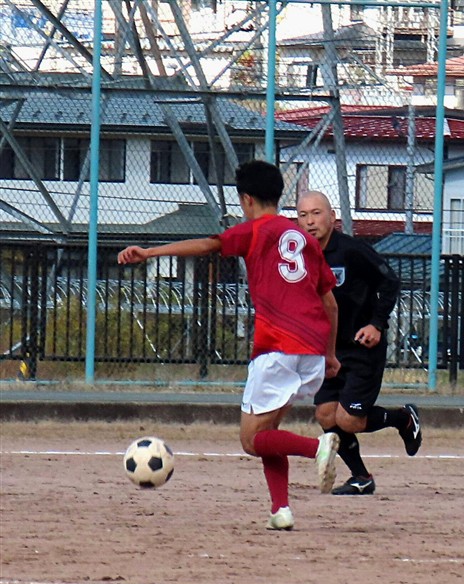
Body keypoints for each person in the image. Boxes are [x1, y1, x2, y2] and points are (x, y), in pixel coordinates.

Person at [118, 160, 340, 531]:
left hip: (278, 347)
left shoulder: (255, 230)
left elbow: (209, 244)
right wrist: (330, 354)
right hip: (312, 349)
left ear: (247, 199)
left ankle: (316, 447)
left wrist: (149, 252)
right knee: (269, 432)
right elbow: (330, 303)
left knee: (252, 440)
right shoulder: (302, 238)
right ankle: (280, 510)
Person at [297, 190, 422, 495]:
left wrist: (376, 323)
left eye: (316, 213)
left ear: (332, 217)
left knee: (349, 420)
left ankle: (404, 419)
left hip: (362, 347)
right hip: (328, 350)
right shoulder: (300, 256)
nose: (310, 221)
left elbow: (390, 281)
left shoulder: (351, 251)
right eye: (303, 215)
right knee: (325, 415)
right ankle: (361, 478)